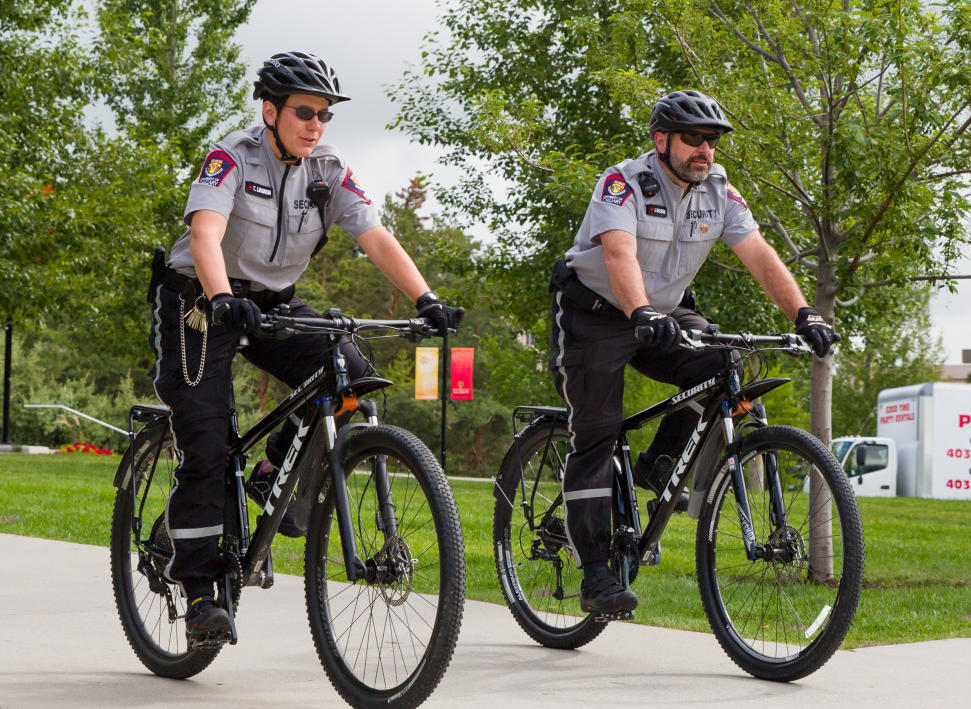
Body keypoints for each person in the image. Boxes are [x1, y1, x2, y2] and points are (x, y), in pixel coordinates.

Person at [148, 51, 462, 643]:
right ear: (270, 111)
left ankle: (270, 474)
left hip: (270, 301)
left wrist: (426, 299)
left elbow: (375, 235)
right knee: (208, 440)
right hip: (199, 299)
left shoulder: (329, 171)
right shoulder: (232, 157)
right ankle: (196, 592)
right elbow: (205, 233)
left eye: (324, 114)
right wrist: (219, 297)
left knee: (350, 374)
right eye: (304, 112)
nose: (316, 124)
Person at [548, 89, 838, 616]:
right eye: (693, 138)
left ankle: (659, 461)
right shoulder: (623, 182)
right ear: (662, 140)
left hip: (663, 310)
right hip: (597, 312)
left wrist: (805, 314)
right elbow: (619, 253)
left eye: (712, 140)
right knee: (597, 432)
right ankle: (595, 575)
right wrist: (640, 313)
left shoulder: (722, 192)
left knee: (727, 362)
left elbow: (760, 255)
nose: (705, 149)